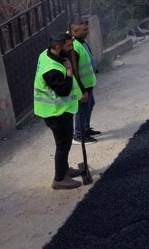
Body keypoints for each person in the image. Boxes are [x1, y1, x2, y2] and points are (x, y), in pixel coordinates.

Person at [34, 33, 87, 189]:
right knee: (63, 145)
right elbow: (63, 90)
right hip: (56, 113)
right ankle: (59, 179)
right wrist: (69, 72)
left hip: (59, 110)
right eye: (68, 46)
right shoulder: (51, 69)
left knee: (64, 144)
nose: (71, 49)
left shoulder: (46, 54)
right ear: (58, 47)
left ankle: (64, 169)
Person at [69, 19, 99, 144]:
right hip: (82, 86)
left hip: (88, 83)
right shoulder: (73, 47)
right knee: (82, 110)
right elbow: (74, 72)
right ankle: (79, 135)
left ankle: (86, 129)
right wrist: (81, 90)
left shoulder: (81, 41)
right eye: (85, 30)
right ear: (75, 31)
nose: (88, 31)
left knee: (90, 105)